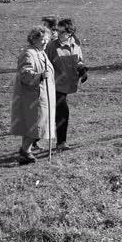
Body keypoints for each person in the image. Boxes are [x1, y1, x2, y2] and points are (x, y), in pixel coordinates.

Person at [10, 26, 56, 165]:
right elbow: (24, 74)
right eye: (41, 39)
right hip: (33, 97)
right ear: (33, 39)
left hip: (42, 94)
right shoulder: (28, 54)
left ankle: (26, 151)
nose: (45, 42)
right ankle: (25, 152)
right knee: (35, 125)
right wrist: (40, 76)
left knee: (37, 125)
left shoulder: (41, 52)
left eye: (46, 39)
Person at [46, 19, 88, 150]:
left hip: (68, 84)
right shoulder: (52, 46)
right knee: (63, 112)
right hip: (55, 85)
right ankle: (61, 143)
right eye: (57, 30)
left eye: (62, 31)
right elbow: (44, 64)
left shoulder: (75, 44)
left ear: (70, 32)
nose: (58, 33)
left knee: (50, 115)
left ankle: (34, 138)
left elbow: (79, 60)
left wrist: (82, 70)